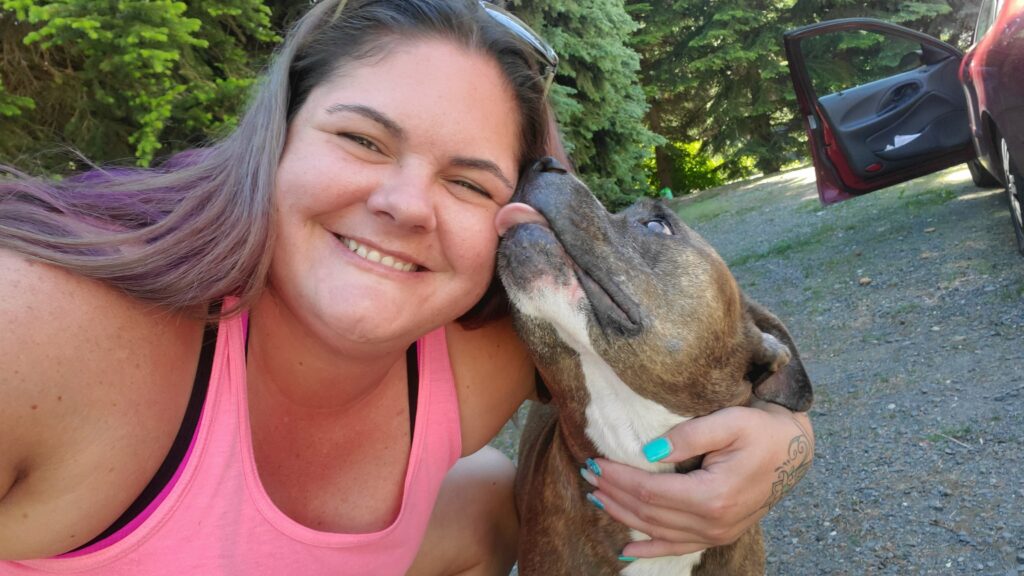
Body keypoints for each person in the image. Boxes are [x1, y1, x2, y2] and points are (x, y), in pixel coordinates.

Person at [0, 0, 814, 574]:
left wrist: (781, 449)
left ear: (509, 219)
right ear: (275, 136)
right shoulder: (45, 327)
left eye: (468, 184)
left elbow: (698, 361)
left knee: (493, 495)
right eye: (361, 138)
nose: (402, 205)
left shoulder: (485, 347)